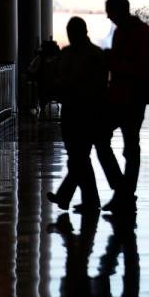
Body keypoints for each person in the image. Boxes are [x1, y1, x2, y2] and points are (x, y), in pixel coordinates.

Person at [100, 0, 149, 211]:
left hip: (129, 98)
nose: (108, 17)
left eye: (110, 12)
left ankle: (123, 190)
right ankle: (124, 190)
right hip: (128, 97)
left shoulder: (136, 32)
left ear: (119, 12)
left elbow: (138, 67)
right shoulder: (132, 31)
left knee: (123, 144)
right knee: (128, 146)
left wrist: (111, 60)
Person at [47, 17, 108, 211]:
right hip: (83, 110)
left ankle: (71, 197)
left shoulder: (73, 54)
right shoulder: (95, 54)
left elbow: (61, 78)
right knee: (79, 157)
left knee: (78, 157)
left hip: (81, 111)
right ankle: (87, 200)